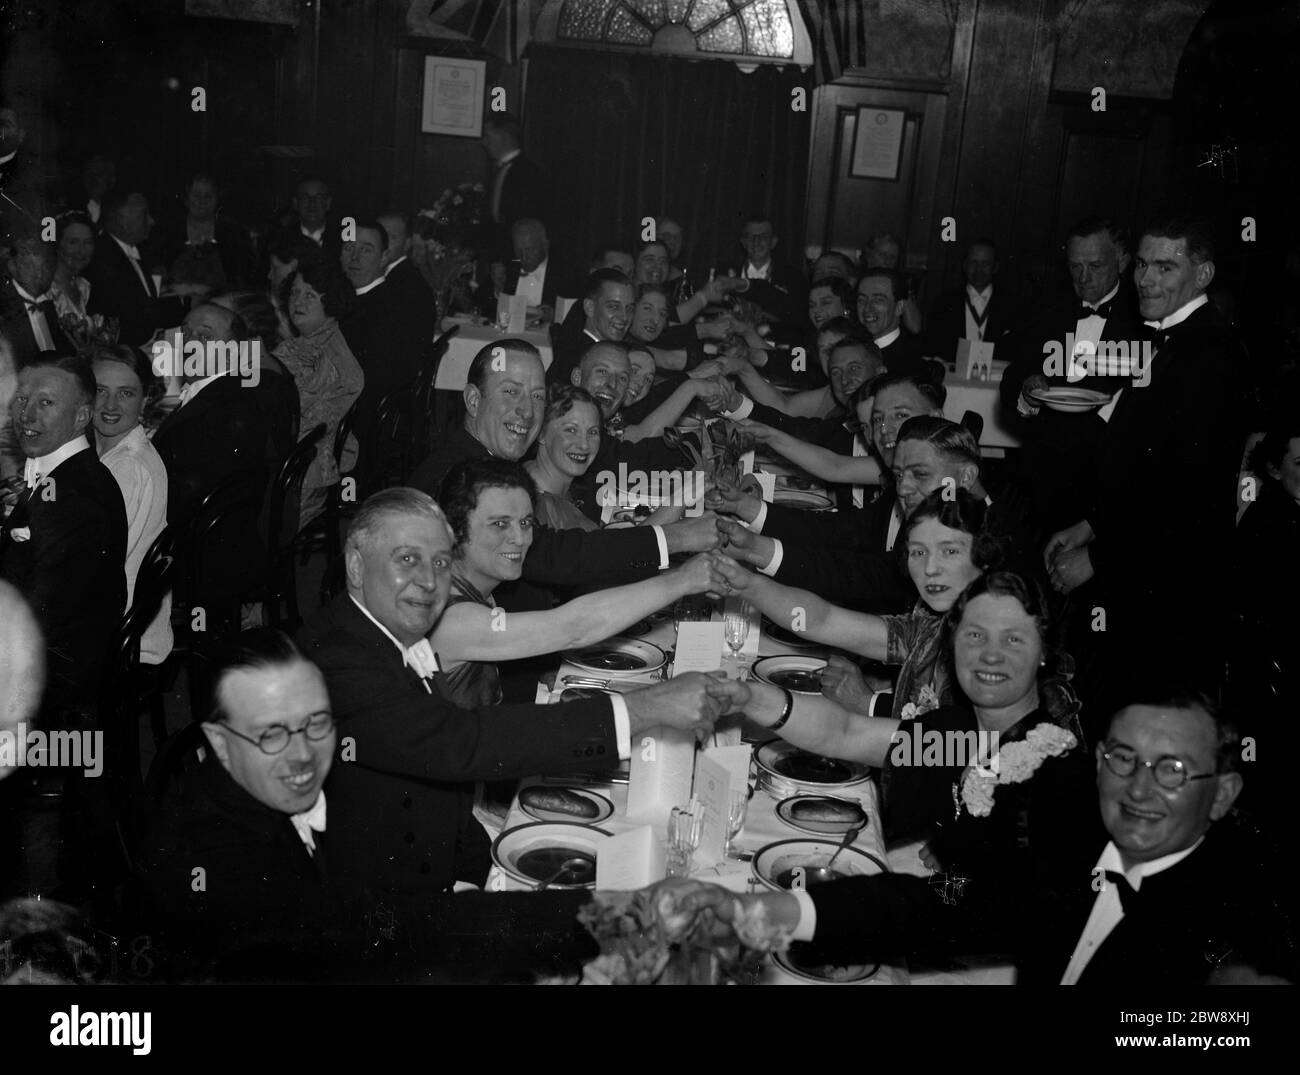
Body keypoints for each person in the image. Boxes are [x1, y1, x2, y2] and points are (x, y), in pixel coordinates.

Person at [295, 488, 740, 911]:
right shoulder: (338, 660)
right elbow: (464, 744)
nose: (429, 581)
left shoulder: (387, 629)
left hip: (432, 868)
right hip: (369, 914)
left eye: (439, 562)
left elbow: (441, 791)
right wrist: (647, 708)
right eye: (407, 559)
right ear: (355, 566)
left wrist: (487, 870)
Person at [130, 628, 604, 982]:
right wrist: (601, 918)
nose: (302, 756)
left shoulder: (281, 781)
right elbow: (383, 936)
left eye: (316, 722)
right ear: (218, 740)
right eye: (271, 733)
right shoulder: (216, 862)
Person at [1044, 217, 1252, 707]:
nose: (1145, 279)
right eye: (1141, 264)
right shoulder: (1164, 339)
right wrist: (1090, 526)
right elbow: (1146, 469)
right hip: (1141, 570)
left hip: (1170, 588)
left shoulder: (1211, 355)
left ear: (1202, 276)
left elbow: (1189, 498)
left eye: (1165, 266)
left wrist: (1097, 559)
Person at [408, 341, 722, 597]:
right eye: (510, 392)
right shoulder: (462, 475)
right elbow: (554, 556)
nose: (527, 410)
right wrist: (674, 539)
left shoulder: (489, 464)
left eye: (536, 396)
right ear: (474, 401)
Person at [430, 457, 725, 707]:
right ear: (453, 529)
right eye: (499, 524)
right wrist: (683, 580)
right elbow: (573, 627)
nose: (520, 539)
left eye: (526, 523)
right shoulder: (449, 615)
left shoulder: (475, 590)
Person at [715, 489, 997, 721]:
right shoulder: (932, 622)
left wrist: (868, 704)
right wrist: (745, 584)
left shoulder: (993, 649)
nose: (930, 568)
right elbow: (820, 620)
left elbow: (956, 752)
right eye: (918, 552)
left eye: (950, 551)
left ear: (983, 556)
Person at [999, 216, 1146, 535]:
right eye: (1075, 266)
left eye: (1095, 266)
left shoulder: (1142, 319)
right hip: (1043, 476)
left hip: (1105, 481)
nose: (1084, 277)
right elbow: (1013, 375)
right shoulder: (1048, 308)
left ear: (1121, 261)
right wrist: (1026, 391)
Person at [0, 353, 126, 718]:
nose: (27, 415)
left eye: (46, 402)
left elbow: (42, 620)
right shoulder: (60, 471)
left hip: (56, 681)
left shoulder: (76, 501)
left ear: (82, 417)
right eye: (22, 399)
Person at [151, 303, 269, 611]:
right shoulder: (220, 391)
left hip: (200, 554)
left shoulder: (225, 408)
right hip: (214, 540)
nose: (189, 342)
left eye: (204, 337)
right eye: (186, 332)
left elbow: (185, 493)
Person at [92, 346, 172, 665]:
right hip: (124, 621)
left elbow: (90, 567)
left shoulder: (126, 468)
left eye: (125, 393)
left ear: (145, 400)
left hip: (120, 638)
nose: (110, 405)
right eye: (99, 391)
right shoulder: (123, 451)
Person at [274, 256, 364, 527]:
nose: (298, 302)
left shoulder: (322, 359)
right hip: (304, 469)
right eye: (295, 293)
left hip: (300, 483)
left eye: (310, 295)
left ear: (331, 301)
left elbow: (286, 420)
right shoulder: (314, 342)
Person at [84, 189, 191, 347]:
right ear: (121, 219)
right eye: (144, 214)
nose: (151, 221)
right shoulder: (102, 258)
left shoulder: (131, 251)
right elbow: (133, 314)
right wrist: (185, 303)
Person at [924, 238, 1017, 365]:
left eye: (986, 264)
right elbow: (932, 345)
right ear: (965, 265)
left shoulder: (1012, 304)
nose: (979, 269)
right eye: (974, 262)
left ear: (995, 267)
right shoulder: (945, 302)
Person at [158, 172, 255, 293]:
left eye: (208, 196)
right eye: (196, 195)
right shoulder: (168, 233)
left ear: (217, 199)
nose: (202, 201)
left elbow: (245, 276)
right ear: (187, 198)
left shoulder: (234, 234)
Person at [483, 113, 551, 256]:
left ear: (504, 137)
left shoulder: (527, 172)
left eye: (488, 136)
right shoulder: (500, 170)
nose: (485, 142)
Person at [0, 235, 71, 365]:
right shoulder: (5, 307)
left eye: (50, 262)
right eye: (35, 258)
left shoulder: (49, 307)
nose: (44, 271)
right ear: (12, 265)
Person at [856, 267, 935, 378]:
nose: (867, 308)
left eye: (878, 300)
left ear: (899, 307)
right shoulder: (854, 347)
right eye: (862, 300)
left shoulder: (909, 361)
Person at [268, 176, 342, 260]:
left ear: (328, 203)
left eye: (318, 197)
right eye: (305, 197)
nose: (312, 203)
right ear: (296, 203)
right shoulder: (279, 241)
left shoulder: (342, 240)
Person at [49, 211, 96, 323]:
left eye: (88, 242)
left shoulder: (84, 287)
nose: (81, 250)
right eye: (73, 242)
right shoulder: (49, 290)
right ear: (57, 244)